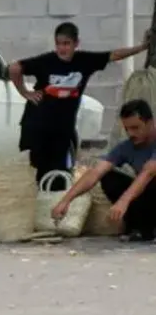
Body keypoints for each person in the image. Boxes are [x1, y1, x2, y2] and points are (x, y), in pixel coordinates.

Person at [9, 22, 148, 187]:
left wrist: (142, 47)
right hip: (39, 125)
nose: (62, 48)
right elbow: (14, 68)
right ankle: (43, 197)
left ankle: (55, 198)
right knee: (40, 171)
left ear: (76, 43)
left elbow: (115, 55)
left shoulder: (84, 61)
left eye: (66, 43)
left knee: (60, 172)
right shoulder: (46, 61)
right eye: (59, 44)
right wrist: (25, 92)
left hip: (63, 127)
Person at [52, 99, 156, 241]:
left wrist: (123, 202)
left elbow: (149, 172)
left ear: (150, 123)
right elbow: (96, 172)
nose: (131, 133)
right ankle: (142, 228)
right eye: (127, 129)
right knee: (110, 178)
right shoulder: (126, 147)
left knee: (150, 181)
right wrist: (66, 201)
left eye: (135, 128)